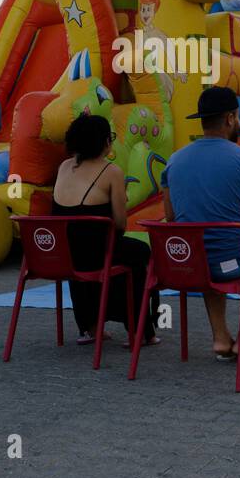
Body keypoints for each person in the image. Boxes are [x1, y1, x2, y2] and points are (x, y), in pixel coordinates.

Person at [161, 86, 240, 362]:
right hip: (230, 261)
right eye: (238, 117)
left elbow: (171, 219)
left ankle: (221, 338)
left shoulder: (174, 161)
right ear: (229, 119)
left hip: (186, 263)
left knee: (206, 255)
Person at [51, 114, 158, 347]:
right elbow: (120, 223)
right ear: (105, 142)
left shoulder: (63, 167)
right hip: (98, 254)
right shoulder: (111, 172)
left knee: (83, 244)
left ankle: (89, 327)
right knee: (139, 253)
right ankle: (140, 330)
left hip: (62, 256)